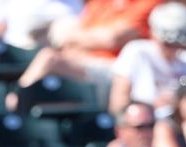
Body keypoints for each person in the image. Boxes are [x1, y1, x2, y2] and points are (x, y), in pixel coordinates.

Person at [16, 0, 161, 89]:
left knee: (48, 58)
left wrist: (73, 37)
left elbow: (112, 39)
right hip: (85, 61)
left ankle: (16, 102)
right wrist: (87, 39)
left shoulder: (148, 3)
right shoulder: (100, 2)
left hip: (118, 70)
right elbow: (72, 40)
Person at [108, 2, 186, 115]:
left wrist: (183, 89)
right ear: (153, 34)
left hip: (179, 127)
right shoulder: (136, 52)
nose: (172, 49)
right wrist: (149, 109)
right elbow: (118, 103)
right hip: (144, 126)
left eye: (177, 44)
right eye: (167, 44)